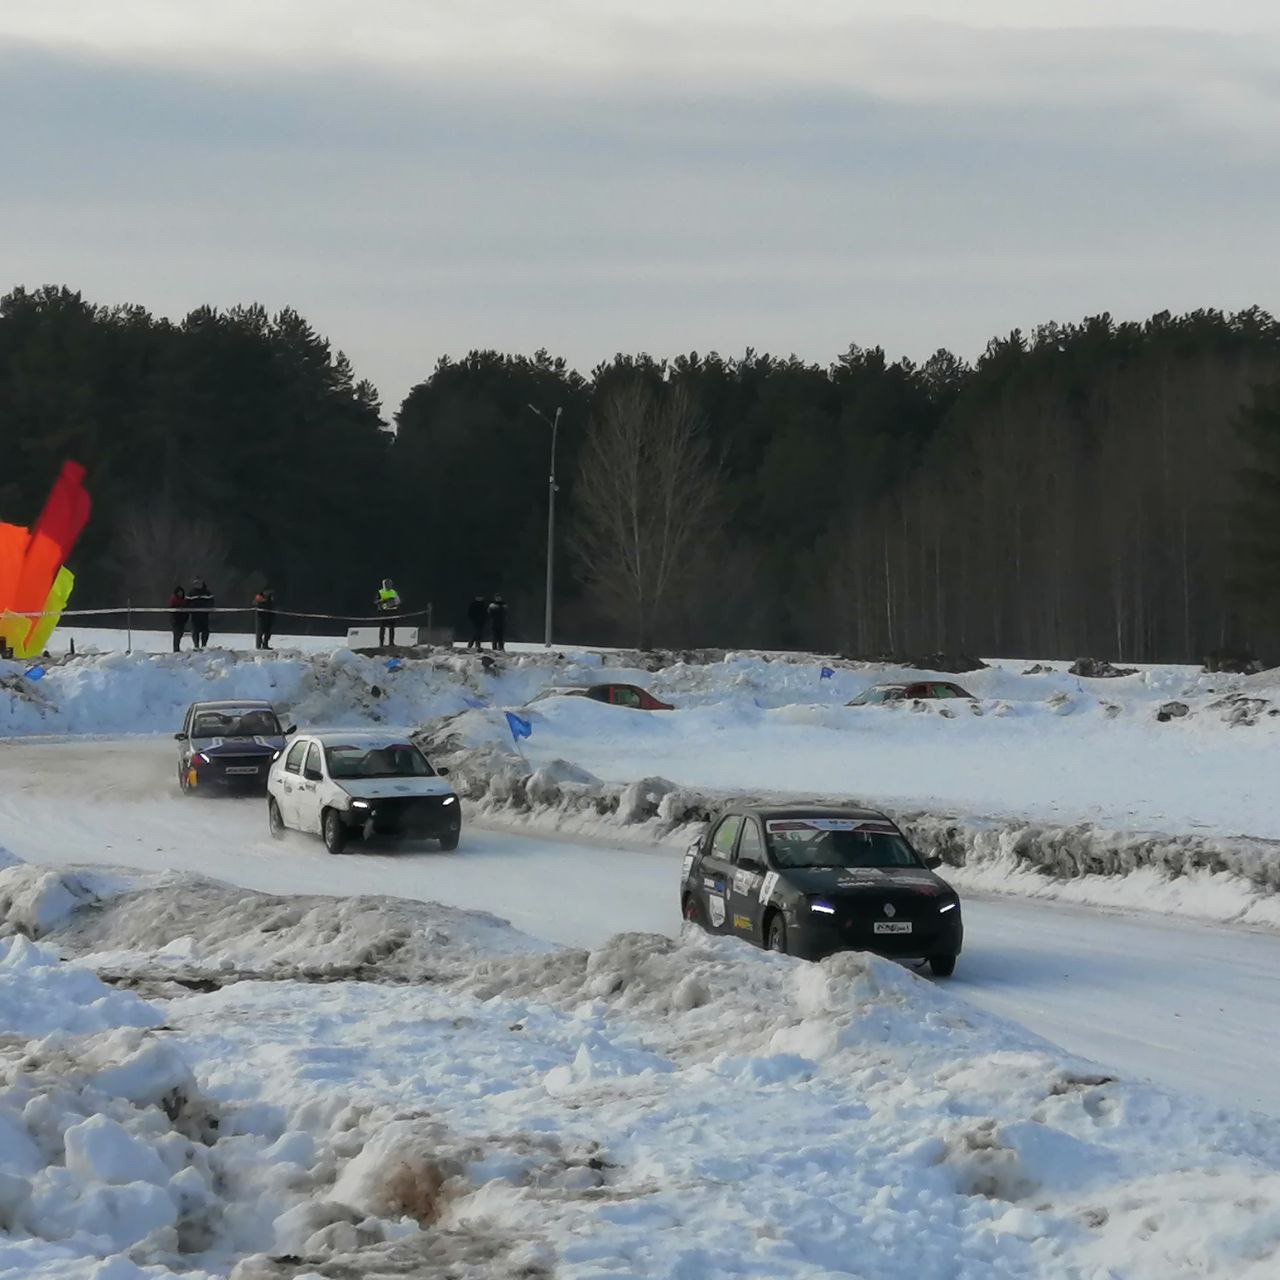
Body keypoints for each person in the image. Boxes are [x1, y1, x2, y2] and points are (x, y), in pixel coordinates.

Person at [188, 579, 214, 650]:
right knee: (195, 631)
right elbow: (187, 602)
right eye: (196, 583)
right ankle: (196, 646)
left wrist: (207, 609)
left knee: (205, 631)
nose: (197, 585)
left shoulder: (207, 593)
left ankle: (204, 646)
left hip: (204, 615)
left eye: (199, 583)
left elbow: (211, 602)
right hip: (194, 616)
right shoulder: (191, 593)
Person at [375, 578, 401, 647]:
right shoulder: (380, 592)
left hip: (392, 612)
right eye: (386, 584)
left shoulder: (394, 592)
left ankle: (391, 643)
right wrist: (383, 602)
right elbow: (376, 601)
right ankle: (381, 644)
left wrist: (393, 603)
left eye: (389, 584)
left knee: (392, 628)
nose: (388, 585)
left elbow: (398, 601)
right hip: (383, 613)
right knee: (382, 628)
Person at [168, 586, 188, 653]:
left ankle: (177, 649)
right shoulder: (173, 599)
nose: (180, 594)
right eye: (179, 593)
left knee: (180, 634)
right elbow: (171, 609)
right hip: (175, 620)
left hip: (182, 620)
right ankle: (176, 649)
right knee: (176, 634)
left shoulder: (184, 600)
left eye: (181, 592)